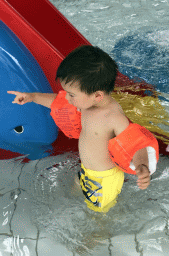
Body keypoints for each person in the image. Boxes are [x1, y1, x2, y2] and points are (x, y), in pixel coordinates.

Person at [7, 45, 158, 213]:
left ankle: (97, 236)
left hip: (103, 181)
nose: (68, 98)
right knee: (74, 196)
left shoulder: (112, 117)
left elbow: (135, 143)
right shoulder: (86, 103)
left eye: (72, 94)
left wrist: (142, 166)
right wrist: (32, 97)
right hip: (87, 171)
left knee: (98, 216)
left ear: (97, 95)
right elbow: (58, 102)